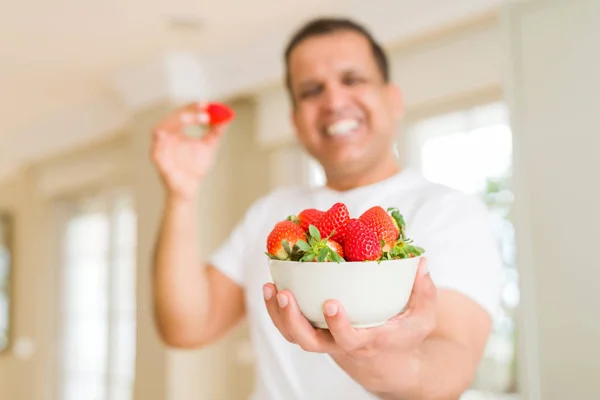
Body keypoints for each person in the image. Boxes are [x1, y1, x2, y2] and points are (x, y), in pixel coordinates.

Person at [151, 17, 503, 400]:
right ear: (295, 120)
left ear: (393, 99)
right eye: (311, 90)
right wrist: (181, 194)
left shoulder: (449, 212)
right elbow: (186, 327)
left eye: (353, 80)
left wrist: (367, 356)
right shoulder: (272, 212)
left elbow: (449, 371)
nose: (334, 101)